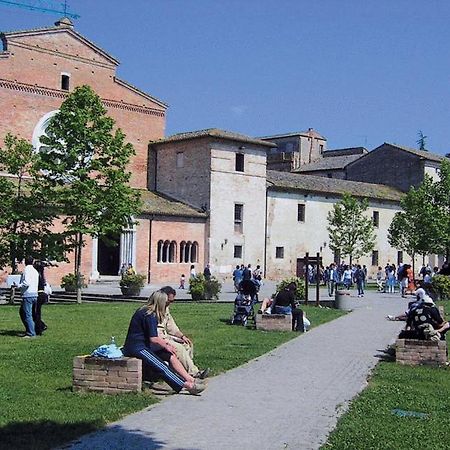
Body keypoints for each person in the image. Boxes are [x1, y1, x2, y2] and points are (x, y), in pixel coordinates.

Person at [122, 290, 206, 395]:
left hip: (146, 346)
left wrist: (167, 348)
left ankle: (190, 379)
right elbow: (154, 338)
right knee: (160, 365)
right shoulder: (149, 315)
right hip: (136, 347)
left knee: (170, 356)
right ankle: (186, 385)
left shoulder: (147, 311)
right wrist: (167, 346)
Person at [159, 286, 209, 379]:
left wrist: (182, 336)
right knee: (179, 348)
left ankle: (184, 370)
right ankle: (194, 373)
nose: (170, 303)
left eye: (172, 301)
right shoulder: (155, 310)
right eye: (169, 301)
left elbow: (171, 326)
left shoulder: (166, 309)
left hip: (165, 336)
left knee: (187, 344)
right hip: (158, 339)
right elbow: (155, 335)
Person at [19, 256, 40, 338]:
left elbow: (26, 283)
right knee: (23, 312)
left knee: (27, 314)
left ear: (25, 262)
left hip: (28, 294)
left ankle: (31, 333)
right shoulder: (35, 271)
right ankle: (30, 330)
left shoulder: (27, 270)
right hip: (35, 293)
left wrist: (19, 285)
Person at [33, 261, 51, 335]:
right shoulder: (42, 275)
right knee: (37, 313)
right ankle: (40, 326)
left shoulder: (37, 275)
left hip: (38, 295)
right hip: (42, 295)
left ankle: (40, 327)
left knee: (35, 313)